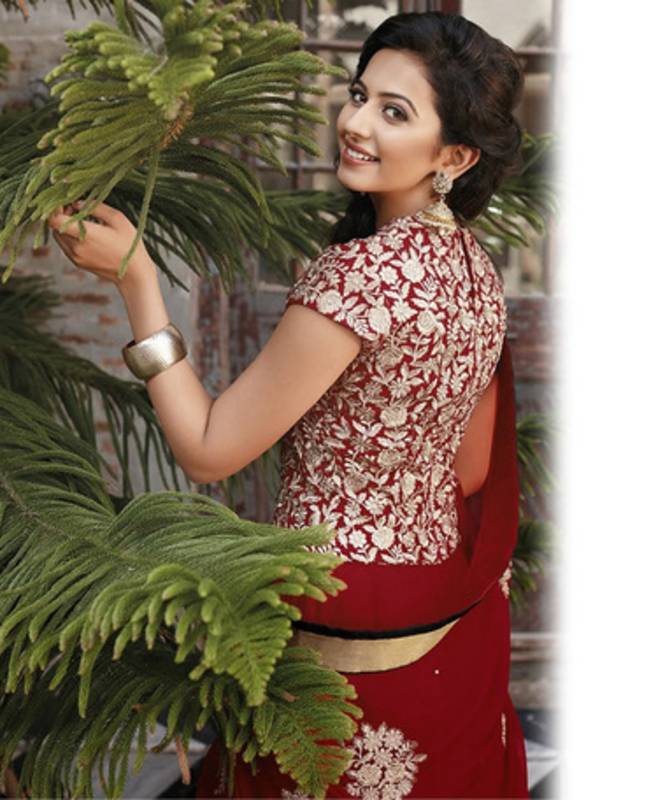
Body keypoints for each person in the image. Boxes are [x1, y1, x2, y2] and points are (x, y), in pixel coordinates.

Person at [48, 10, 528, 798]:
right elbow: (471, 471)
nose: (356, 123)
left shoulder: (360, 278)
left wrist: (138, 281)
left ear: (455, 156)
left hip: (334, 607)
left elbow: (208, 450)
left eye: (394, 112)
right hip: (439, 603)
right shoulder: (474, 270)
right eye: (359, 96)